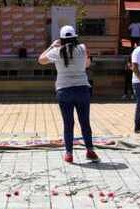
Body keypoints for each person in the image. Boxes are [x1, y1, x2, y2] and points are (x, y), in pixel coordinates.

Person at [38, 25, 99, 164]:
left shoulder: (56, 51)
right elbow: (87, 64)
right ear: (75, 37)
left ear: (61, 39)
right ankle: (90, 151)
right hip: (82, 89)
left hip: (64, 90)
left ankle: (69, 154)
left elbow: (41, 60)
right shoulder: (83, 48)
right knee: (85, 122)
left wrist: (51, 46)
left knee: (68, 123)